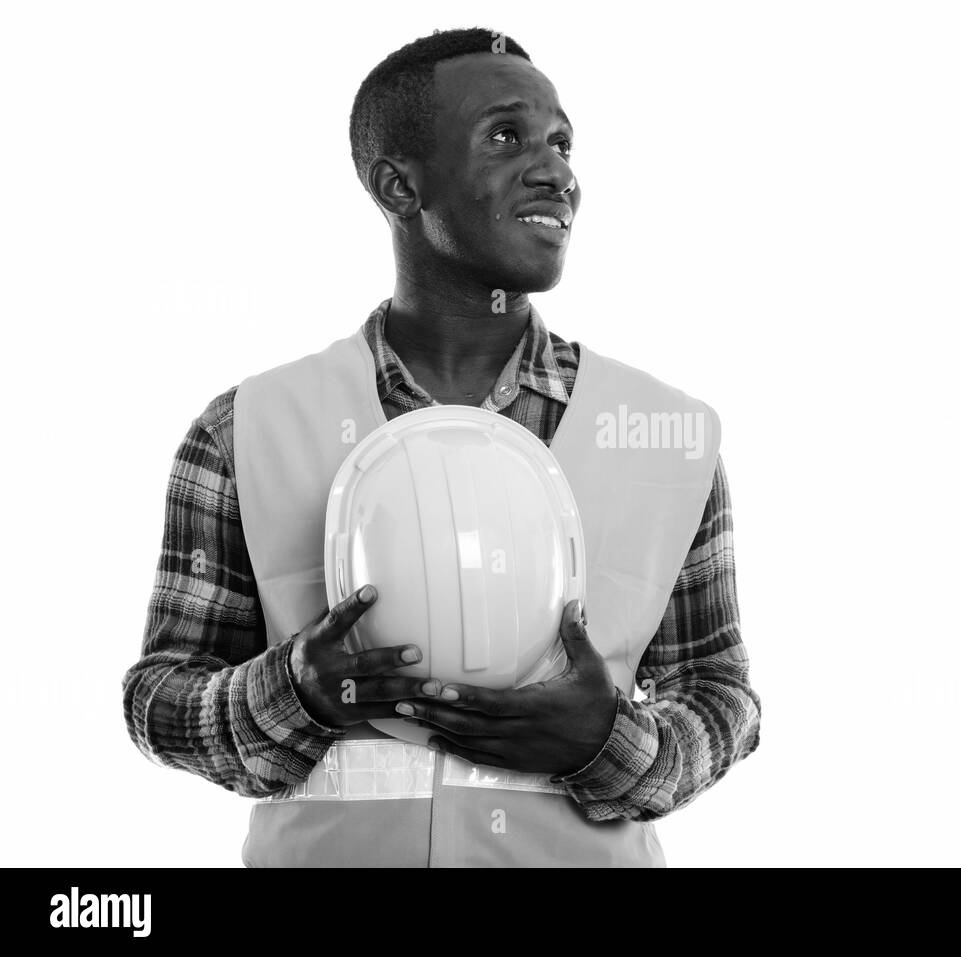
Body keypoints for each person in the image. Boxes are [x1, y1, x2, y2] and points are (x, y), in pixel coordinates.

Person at [122, 27, 761, 867]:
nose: (556, 171)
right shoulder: (245, 428)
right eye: (506, 137)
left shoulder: (669, 435)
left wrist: (608, 740)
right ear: (399, 184)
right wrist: (297, 691)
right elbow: (159, 698)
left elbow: (723, 700)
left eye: (561, 142)